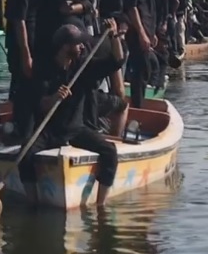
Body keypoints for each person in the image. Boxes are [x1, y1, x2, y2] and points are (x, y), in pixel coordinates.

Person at [19, 20, 128, 208]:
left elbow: (116, 61)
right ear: (65, 46)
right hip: (50, 130)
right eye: (77, 43)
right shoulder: (44, 69)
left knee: (109, 151)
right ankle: (33, 202)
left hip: (75, 129)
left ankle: (100, 204)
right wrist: (54, 98)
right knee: (25, 154)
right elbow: (41, 104)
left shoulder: (82, 66)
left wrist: (115, 36)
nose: (82, 46)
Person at [4, 0, 52, 140]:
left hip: (36, 48)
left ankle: (32, 132)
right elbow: (19, 20)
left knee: (36, 91)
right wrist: (26, 56)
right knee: (22, 93)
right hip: (23, 51)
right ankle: (19, 133)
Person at [122, 0, 160, 109]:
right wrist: (142, 33)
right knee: (141, 69)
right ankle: (138, 107)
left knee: (148, 67)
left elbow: (149, 7)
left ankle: (141, 102)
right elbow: (133, 8)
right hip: (138, 31)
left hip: (148, 29)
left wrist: (152, 33)